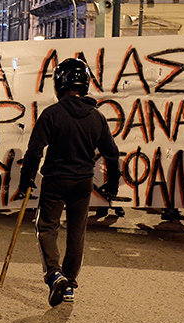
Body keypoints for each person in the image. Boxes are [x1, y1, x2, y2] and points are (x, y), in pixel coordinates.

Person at [18, 58, 121, 307]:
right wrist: (113, 183)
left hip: (55, 181)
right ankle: (69, 284)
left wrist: (26, 180)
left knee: (47, 228)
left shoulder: (52, 114)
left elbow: (34, 152)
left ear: (59, 84)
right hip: (83, 182)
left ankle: (54, 275)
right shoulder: (96, 117)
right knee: (77, 233)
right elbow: (112, 153)